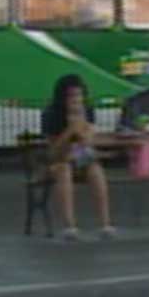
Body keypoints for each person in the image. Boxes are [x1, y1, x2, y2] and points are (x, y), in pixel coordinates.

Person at [42, 74, 115, 240]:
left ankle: (105, 223)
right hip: (58, 160)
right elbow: (53, 151)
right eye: (71, 96)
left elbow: (88, 143)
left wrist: (82, 128)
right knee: (64, 171)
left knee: (96, 170)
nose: (76, 100)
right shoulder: (52, 114)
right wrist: (70, 130)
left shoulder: (87, 111)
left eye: (79, 95)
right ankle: (70, 226)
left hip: (80, 157)